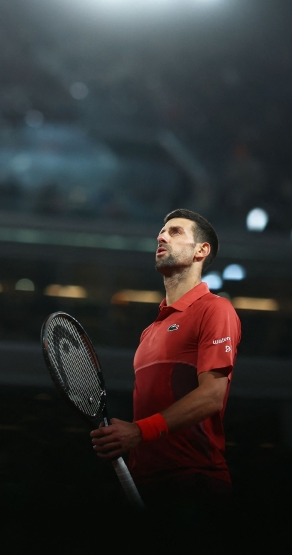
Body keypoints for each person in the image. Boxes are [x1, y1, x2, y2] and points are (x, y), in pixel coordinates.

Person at [90, 209, 241, 506]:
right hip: (145, 484)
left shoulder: (215, 309)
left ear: (201, 250)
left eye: (175, 232)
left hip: (197, 483)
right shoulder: (150, 330)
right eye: (161, 232)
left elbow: (212, 396)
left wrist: (137, 431)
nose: (161, 236)